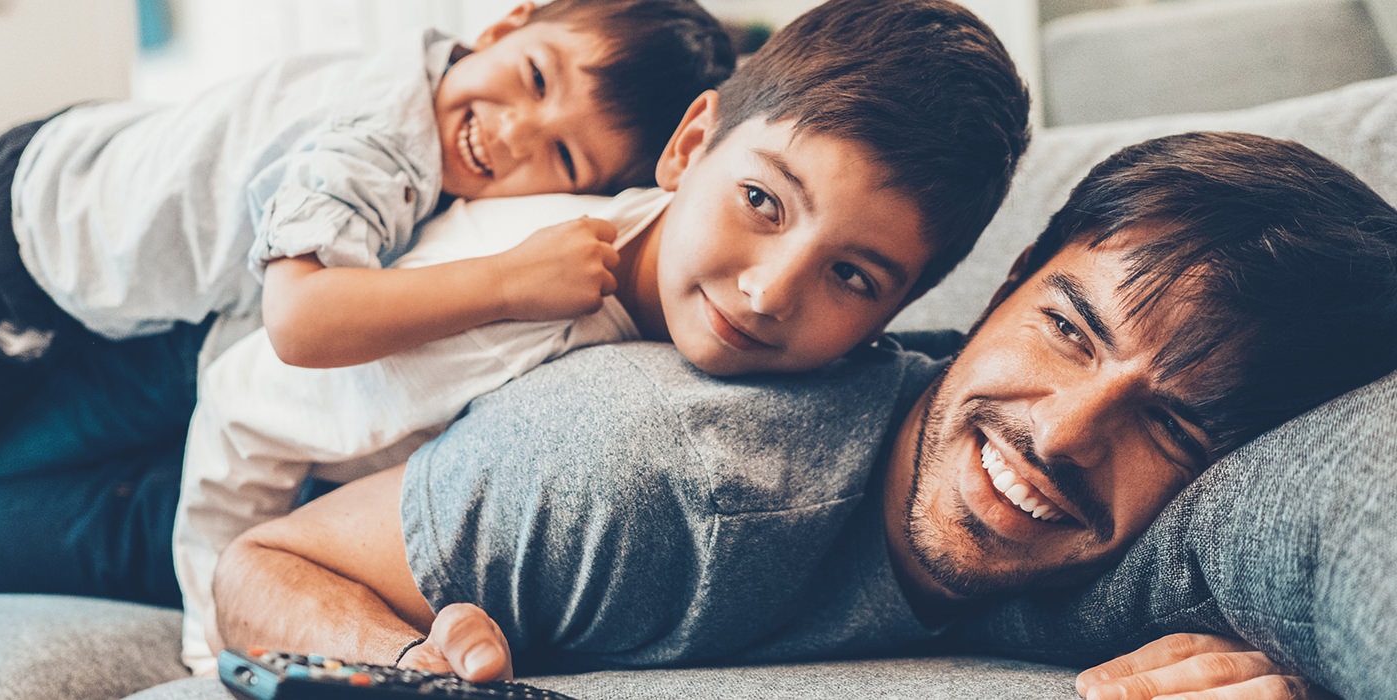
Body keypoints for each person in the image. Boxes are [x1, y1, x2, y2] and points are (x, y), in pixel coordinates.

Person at [208, 130, 1397, 700]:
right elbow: (265, 554)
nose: (1066, 432)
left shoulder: (1164, 563)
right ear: (1010, 279)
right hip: (252, 402)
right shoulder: (639, 472)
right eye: (1069, 329)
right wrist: (405, 665)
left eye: (1176, 423)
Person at [174, 0, 1034, 672]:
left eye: (853, 277)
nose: (770, 292)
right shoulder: (517, 260)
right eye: (762, 202)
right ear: (690, 146)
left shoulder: (822, 392)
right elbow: (265, 392)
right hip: (224, 419)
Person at [0, 0, 736, 498]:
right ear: (508, 23)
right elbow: (302, 323)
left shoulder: (416, 77)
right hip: (28, 244)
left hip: (77, 159)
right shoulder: (377, 145)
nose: (511, 134)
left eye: (563, 157)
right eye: (536, 79)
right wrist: (506, 280)